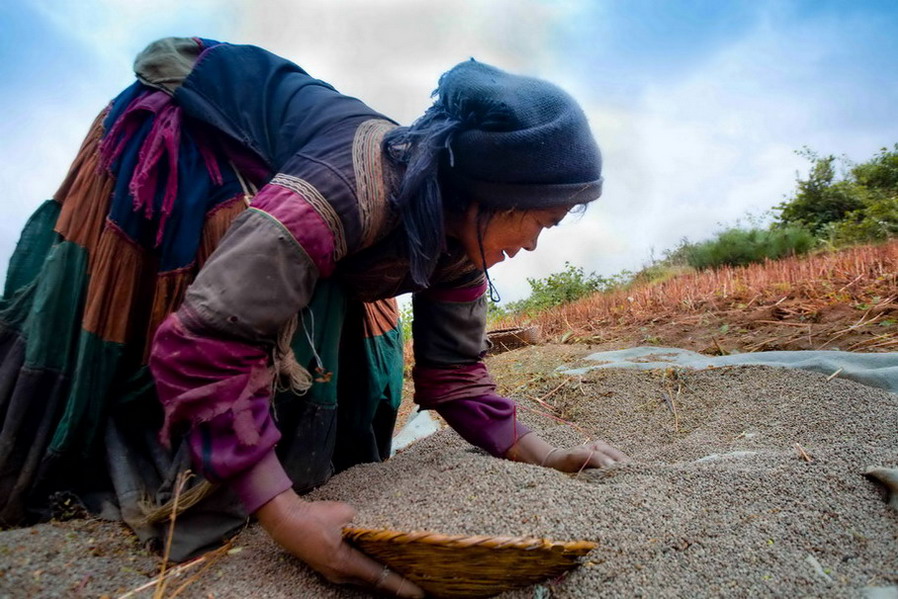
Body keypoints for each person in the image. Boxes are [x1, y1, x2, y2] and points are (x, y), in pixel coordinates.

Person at [0, 37, 627, 596]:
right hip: (198, 125)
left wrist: (547, 456)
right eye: (538, 221)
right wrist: (286, 515)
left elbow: (455, 373)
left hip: (298, 175)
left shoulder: (462, 238)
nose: (532, 246)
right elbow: (205, 338)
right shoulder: (348, 185)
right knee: (245, 292)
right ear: (489, 194)